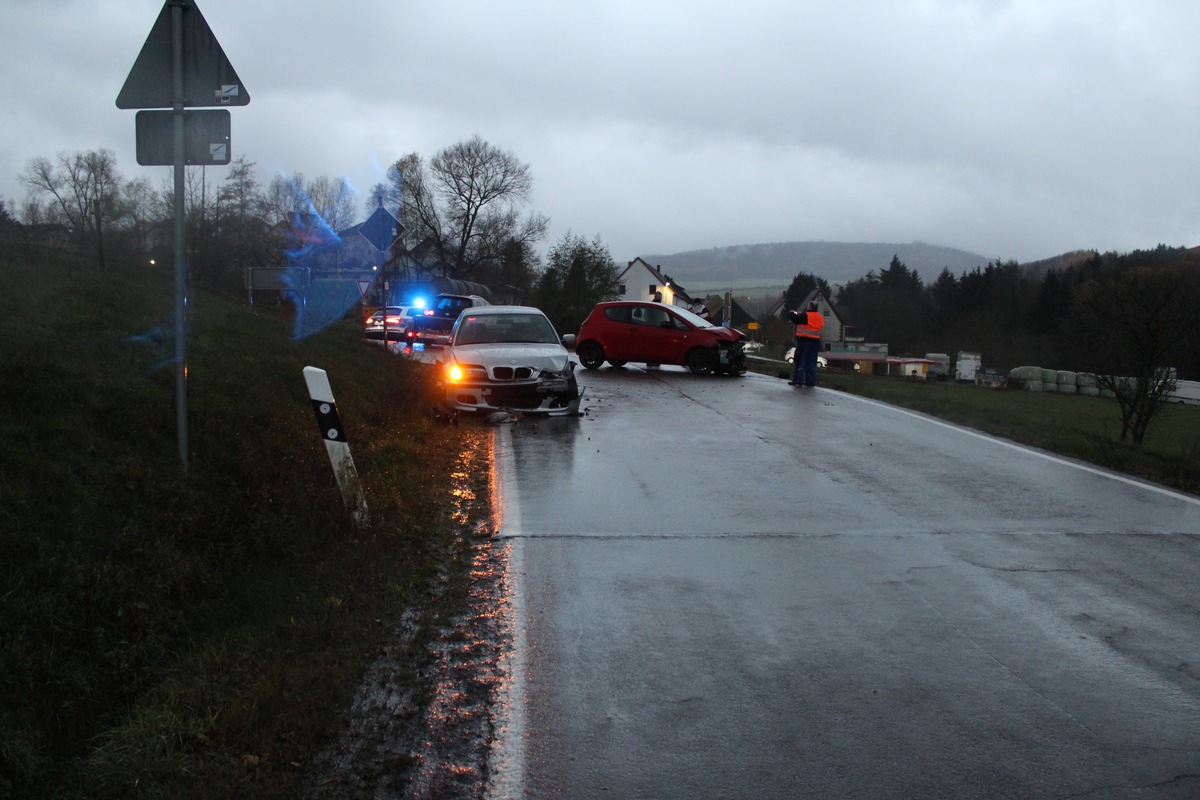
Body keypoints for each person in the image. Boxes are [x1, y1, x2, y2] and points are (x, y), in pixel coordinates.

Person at [788, 301, 825, 387]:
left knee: (800, 361)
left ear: (810, 307)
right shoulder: (820, 317)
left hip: (804, 342)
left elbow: (795, 319)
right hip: (815, 343)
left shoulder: (806, 315)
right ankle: (810, 381)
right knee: (811, 363)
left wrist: (792, 313)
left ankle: (798, 380)